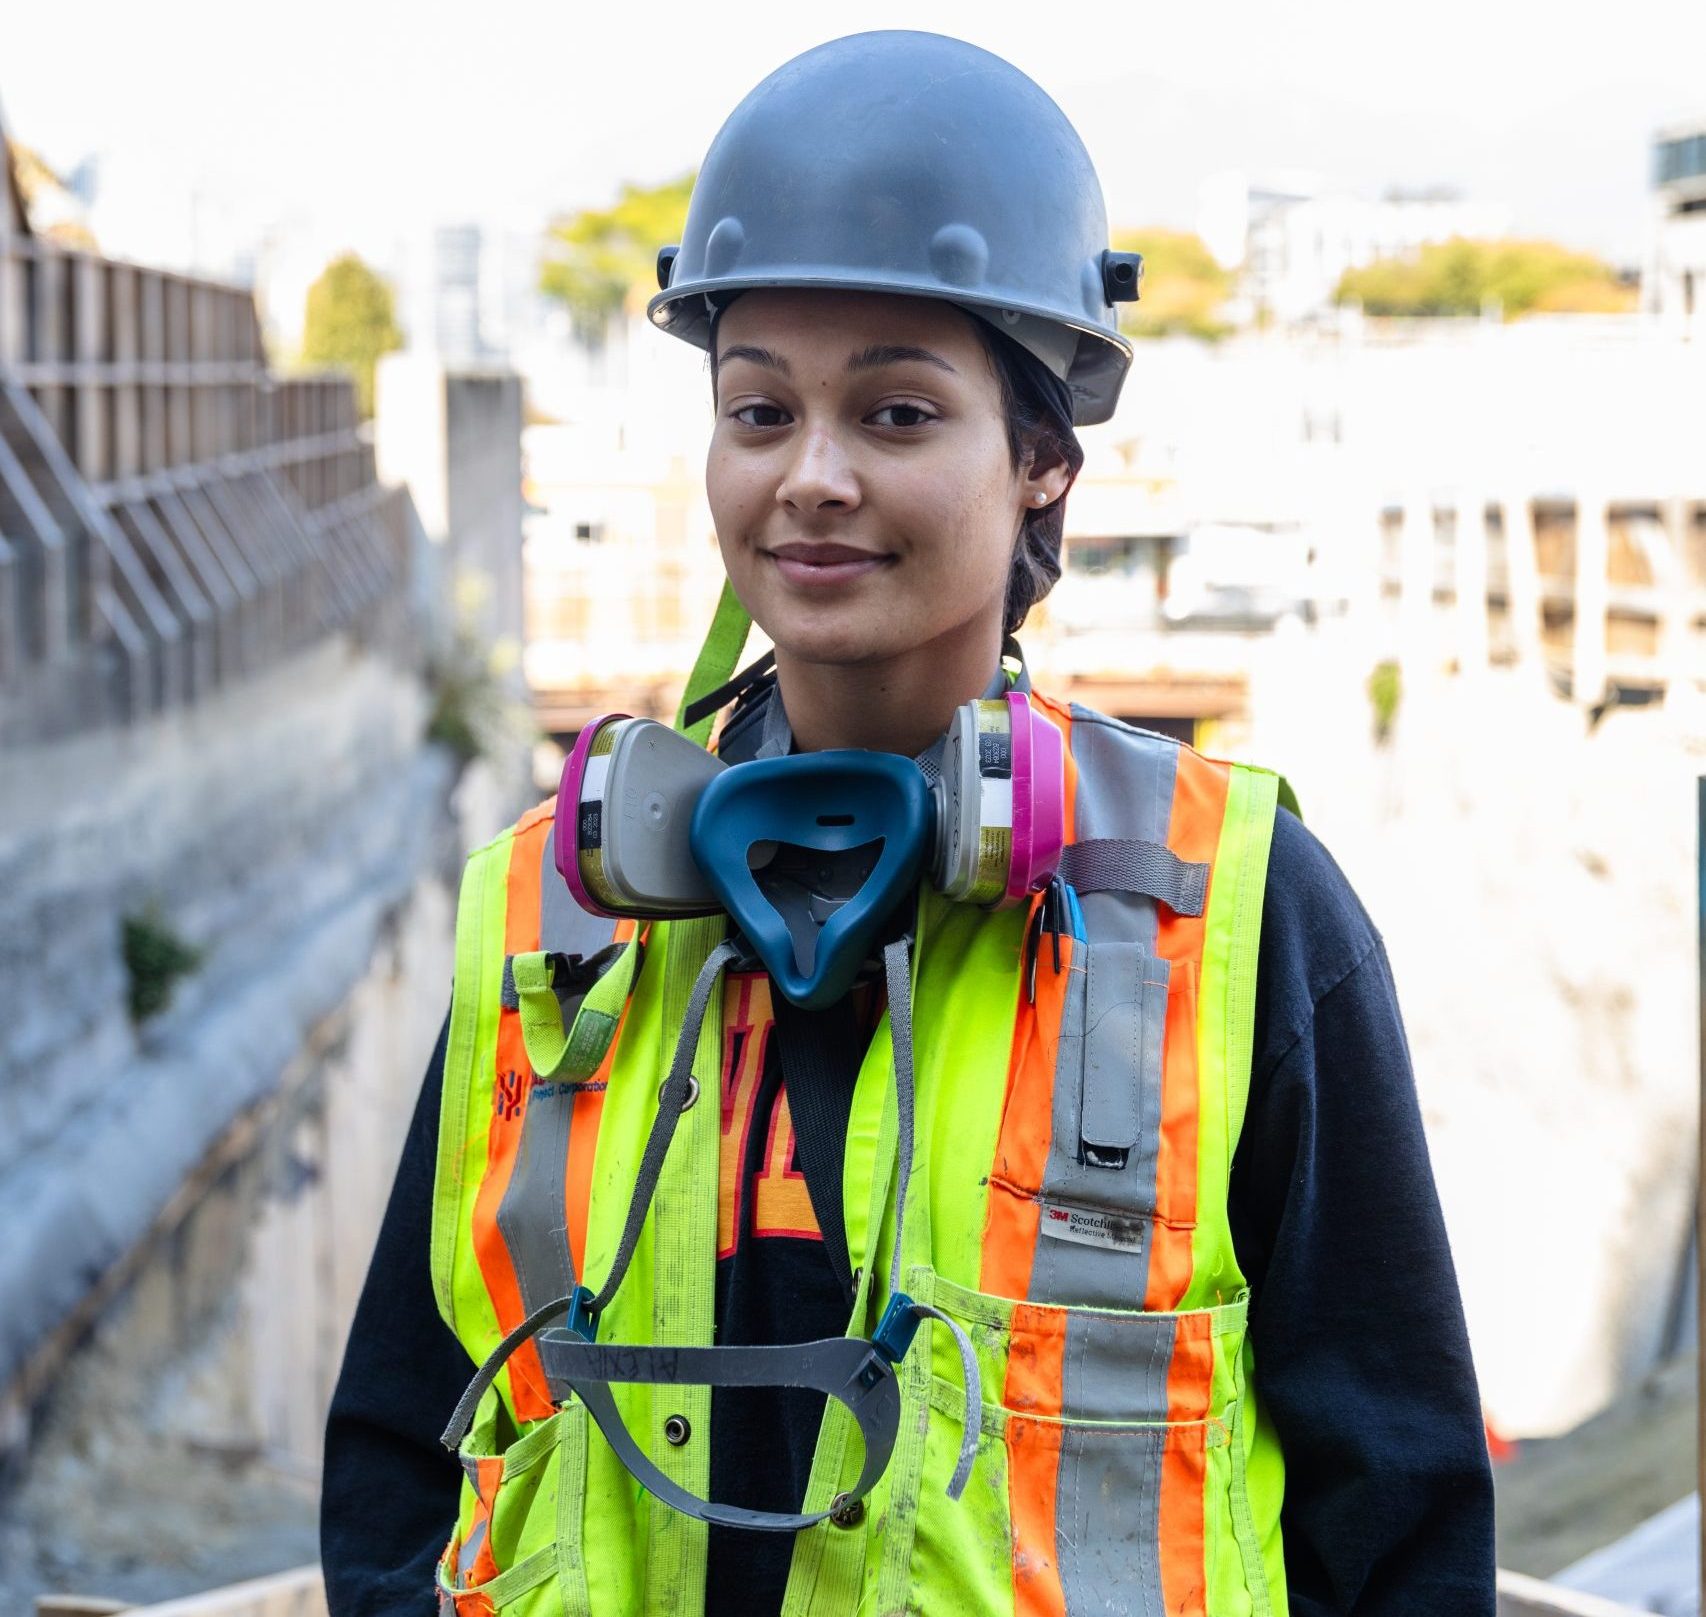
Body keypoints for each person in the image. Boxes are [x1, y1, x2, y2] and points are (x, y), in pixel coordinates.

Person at [322, 30, 1495, 1616]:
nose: (808, 477)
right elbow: (404, 1453)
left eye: (893, 414)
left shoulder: (1226, 913)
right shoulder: (551, 916)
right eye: (758, 412)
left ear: (1039, 465)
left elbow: (1398, 1511)